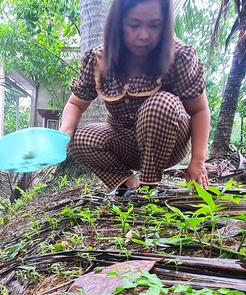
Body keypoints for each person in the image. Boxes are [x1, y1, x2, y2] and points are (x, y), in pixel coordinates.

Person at [59, 0, 210, 195]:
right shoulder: (98, 59)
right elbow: (75, 104)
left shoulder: (179, 55)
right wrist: (63, 135)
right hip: (124, 143)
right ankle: (128, 184)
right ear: (118, 24)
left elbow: (199, 110)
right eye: (134, 25)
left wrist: (197, 160)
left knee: (160, 104)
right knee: (77, 138)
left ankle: (149, 186)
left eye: (155, 26)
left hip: (170, 142)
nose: (144, 35)